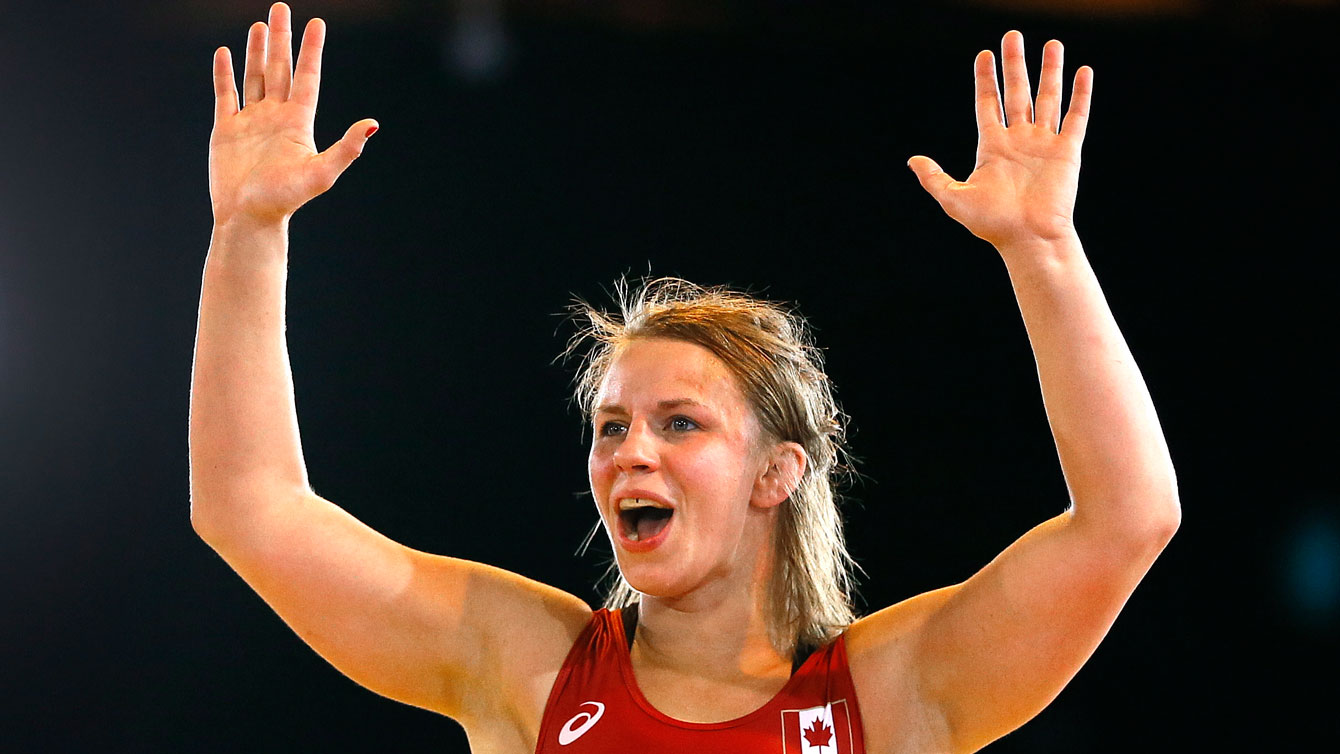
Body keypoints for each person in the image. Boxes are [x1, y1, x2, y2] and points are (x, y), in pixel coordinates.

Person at [190, 3, 1180, 752]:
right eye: (611, 426)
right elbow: (251, 509)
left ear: (775, 471)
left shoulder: (888, 693)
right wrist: (246, 235)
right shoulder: (529, 666)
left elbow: (1128, 518)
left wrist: (1044, 252)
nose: (631, 453)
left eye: (678, 423)